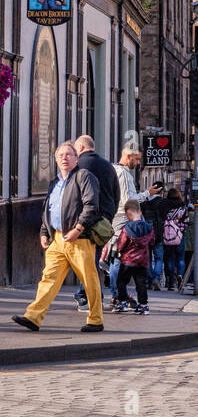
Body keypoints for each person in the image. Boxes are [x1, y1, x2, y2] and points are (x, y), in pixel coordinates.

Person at [12, 142, 104, 333]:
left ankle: (95, 320)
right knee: (48, 278)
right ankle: (33, 317)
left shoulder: (84, 176)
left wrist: (78, 229)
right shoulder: (55, 182)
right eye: (60, 155)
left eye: (69, 155)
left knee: (89, 279)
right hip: (58, 238)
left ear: (76, 158)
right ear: (55, 160)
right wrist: (44, 232)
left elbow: (91, 206)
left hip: (80, 239)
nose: (64, 158)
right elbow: (49, 209)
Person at [71, 133, 119, 313]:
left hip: (82, 219)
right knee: (91, 258)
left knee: (84, 260)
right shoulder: (108, 165)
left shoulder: (78, 165)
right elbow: (116, 193)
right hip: (103, 220)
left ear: (81, 148)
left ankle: (87, 295)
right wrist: (108, 216)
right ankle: (88, 293)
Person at [108, 148, 160, 309]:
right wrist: (146, 194)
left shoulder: (117, 171)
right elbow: (127, 201)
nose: (138, 164)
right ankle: (117, 295)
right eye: (136, 159)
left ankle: (119, 295)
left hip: (121, 220)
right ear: (128, 156)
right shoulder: (122, 173)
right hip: (122, 220)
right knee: (117, 259)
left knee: (118, 259)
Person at [115, 201, 155, 313]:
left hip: (128, 260)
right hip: (142, 260)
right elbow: (152, 242)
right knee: (141, 283)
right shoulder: (149, 228)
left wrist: (119, 251)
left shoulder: (127, 228)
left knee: (121, 282)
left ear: (128, 214)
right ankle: (143, 305)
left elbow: (121, 243)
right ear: (140, 212)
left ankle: (123, 303)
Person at [162, 188, 189, 290]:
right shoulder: (182, 207)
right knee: (181, 258)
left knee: (170, 259)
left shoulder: (165, 205)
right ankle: (180, 275)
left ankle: (171, 282)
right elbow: (186, 221)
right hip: (179, 236)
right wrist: (181, 230)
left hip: (168, 236)